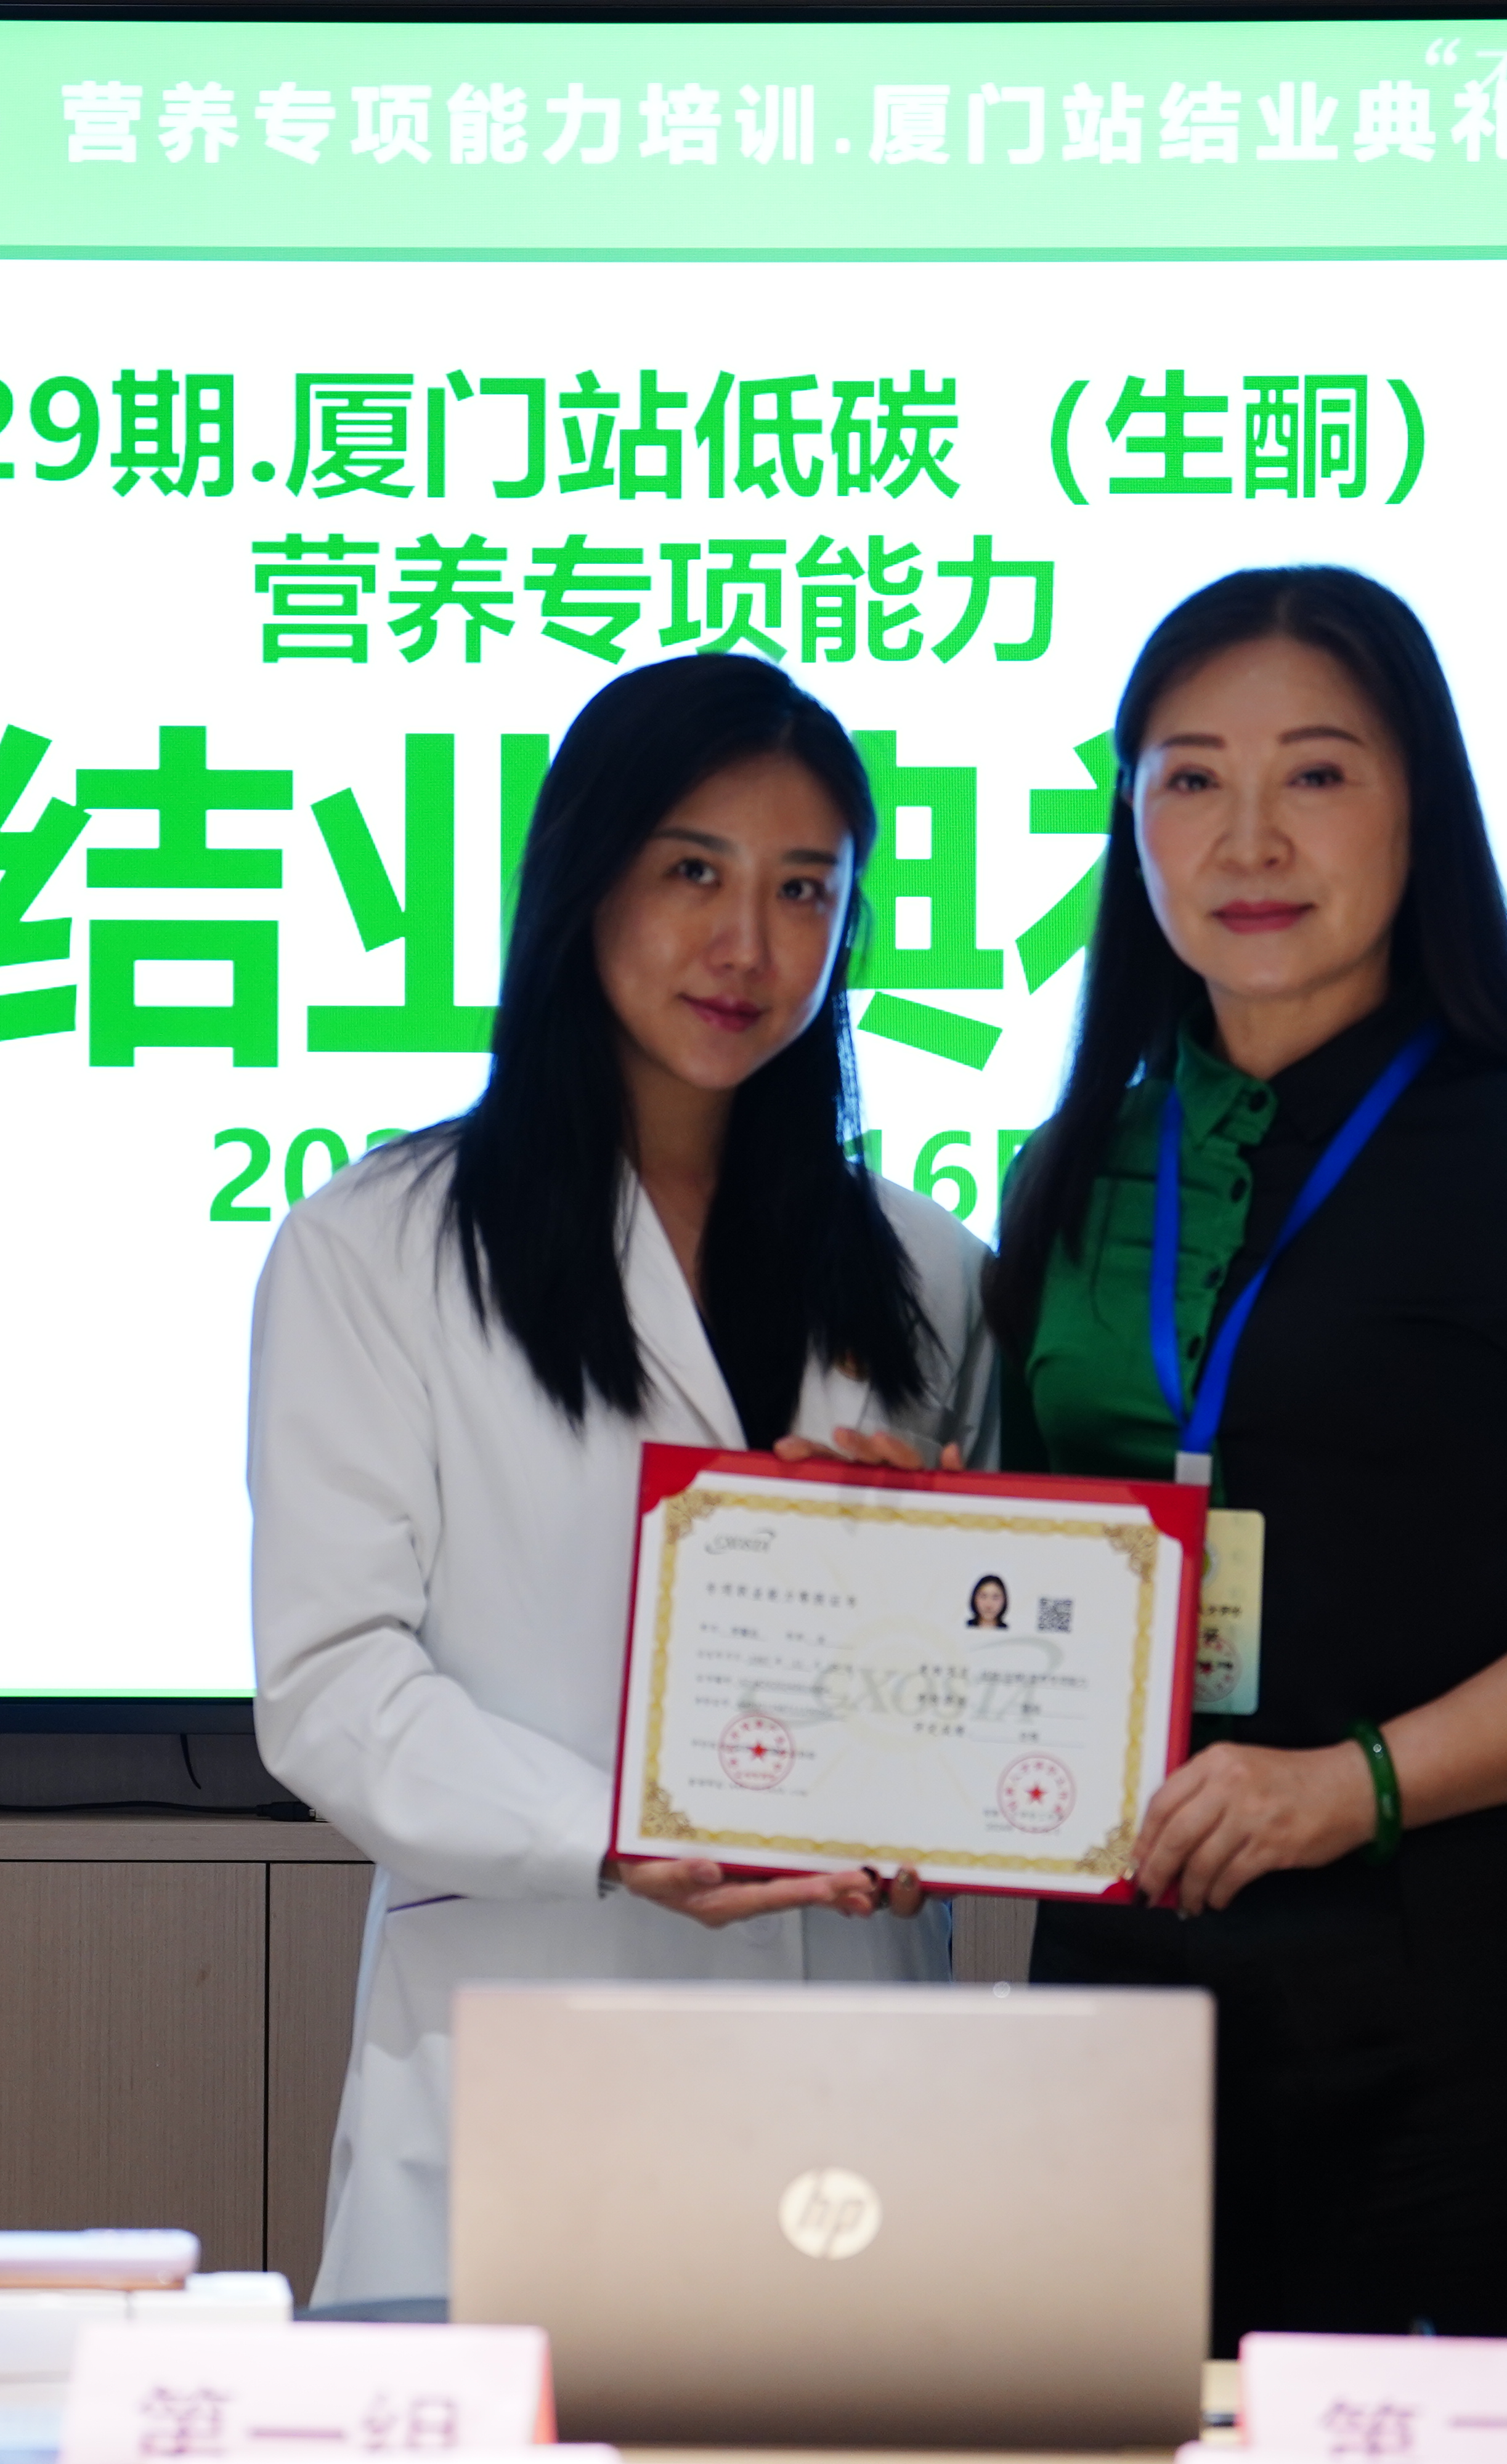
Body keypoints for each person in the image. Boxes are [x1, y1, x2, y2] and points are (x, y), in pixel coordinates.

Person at [991, 567, 1507, 2344]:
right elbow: (1039, 1560)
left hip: (1425, 1985)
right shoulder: (1076, 1165)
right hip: (1113, 1973)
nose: (1248, 838)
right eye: (1189, 778)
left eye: (1316, 774)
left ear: (1421, 812)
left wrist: (1346, 1787)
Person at [251, 655, 998, 2311]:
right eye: (693, 873)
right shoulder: (374, 1251)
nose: (748, 946)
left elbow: (997, 1685)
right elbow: (332, 1684)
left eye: (805, 890)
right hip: (530, 2045)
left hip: (852, 2073)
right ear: (583, 883)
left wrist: (935, 1594)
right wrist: (614, 1834)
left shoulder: (928, 1273)